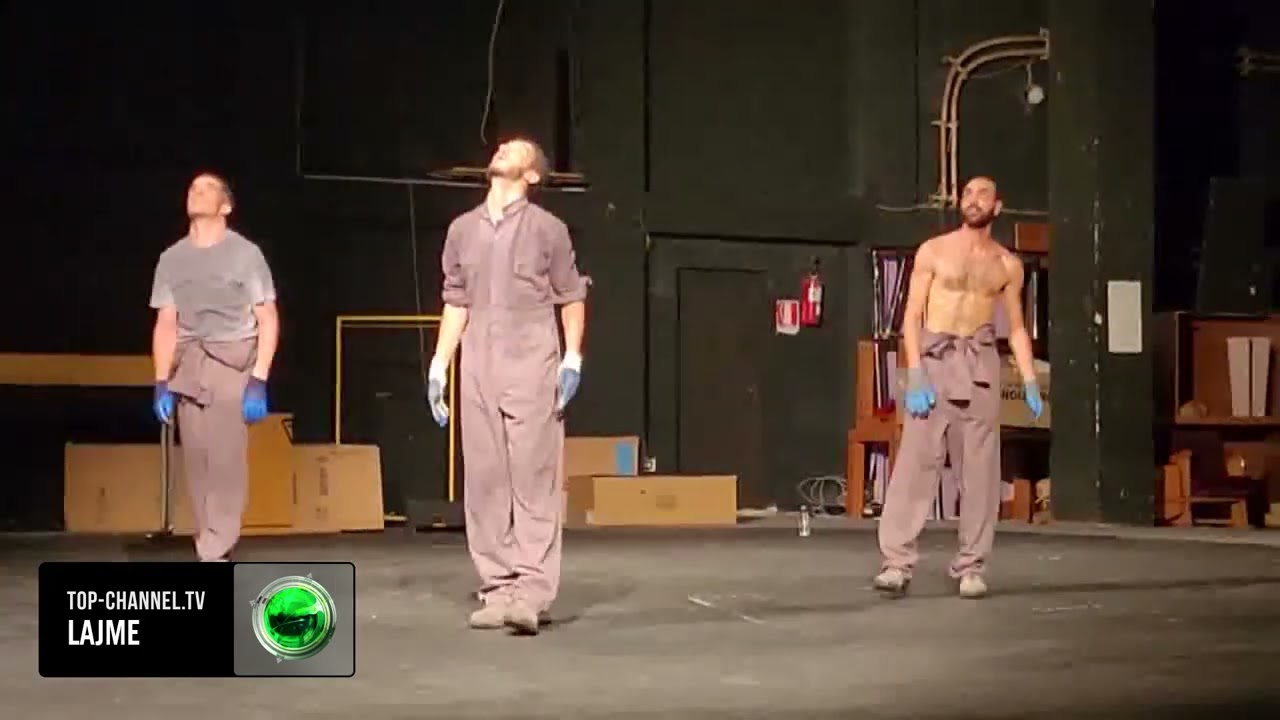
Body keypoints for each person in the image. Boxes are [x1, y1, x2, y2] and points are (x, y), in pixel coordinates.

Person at [426, 138, 589, 635]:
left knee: (533, 479)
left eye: (514, 149)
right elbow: (456, 300)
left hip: (531, 363)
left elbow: (571, 295)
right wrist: (439, 365)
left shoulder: (548, 229)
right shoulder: (462, 230)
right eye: (500, 146)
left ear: (533, 175)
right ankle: (497, 589)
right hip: (478, 364)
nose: (500, 149)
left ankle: (532, 593)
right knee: (484, 480)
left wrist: (573, 357)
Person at [873, 175, 1041, 599]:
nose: (973, 199)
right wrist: (915, 373)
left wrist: (1030, 380)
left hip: (979, 363)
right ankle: (896, 562)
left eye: (983, 194)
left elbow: (1016, 328)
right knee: (916, 465)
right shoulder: (934, 250)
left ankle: (971, 565)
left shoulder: (1007, 265)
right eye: (967, 193)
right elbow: (911, 316)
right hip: (935, 359)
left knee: (981, 472)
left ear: (997, 207)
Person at [149, 172, 279, 562]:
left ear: (226, 206)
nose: (196, 192)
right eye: (193, 187)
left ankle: (215, 548)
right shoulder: (172, 258)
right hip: (189, 364)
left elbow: (268, 317)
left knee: (225, 460)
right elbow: (166, 322)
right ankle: (210, 544)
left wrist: (259, 378)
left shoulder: (245, 255)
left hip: (232, 361)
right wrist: (160, 381)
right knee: (197, 462)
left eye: (207, 189)